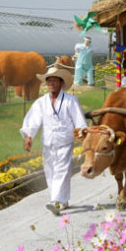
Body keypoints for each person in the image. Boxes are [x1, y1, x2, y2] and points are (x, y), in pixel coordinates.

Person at [20, 67, 87, 215]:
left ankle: (56, 202)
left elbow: (80, 122)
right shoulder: (41, 102)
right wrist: (29, 137)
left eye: (54, 81)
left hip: (64, 142)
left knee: (62, 171)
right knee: (50, 172)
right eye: (49, 81)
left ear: (61, 83)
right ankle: (61, 201)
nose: (51, 83)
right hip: (48, 143)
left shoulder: (70, 101)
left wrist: (83, 137)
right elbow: (33, 120)